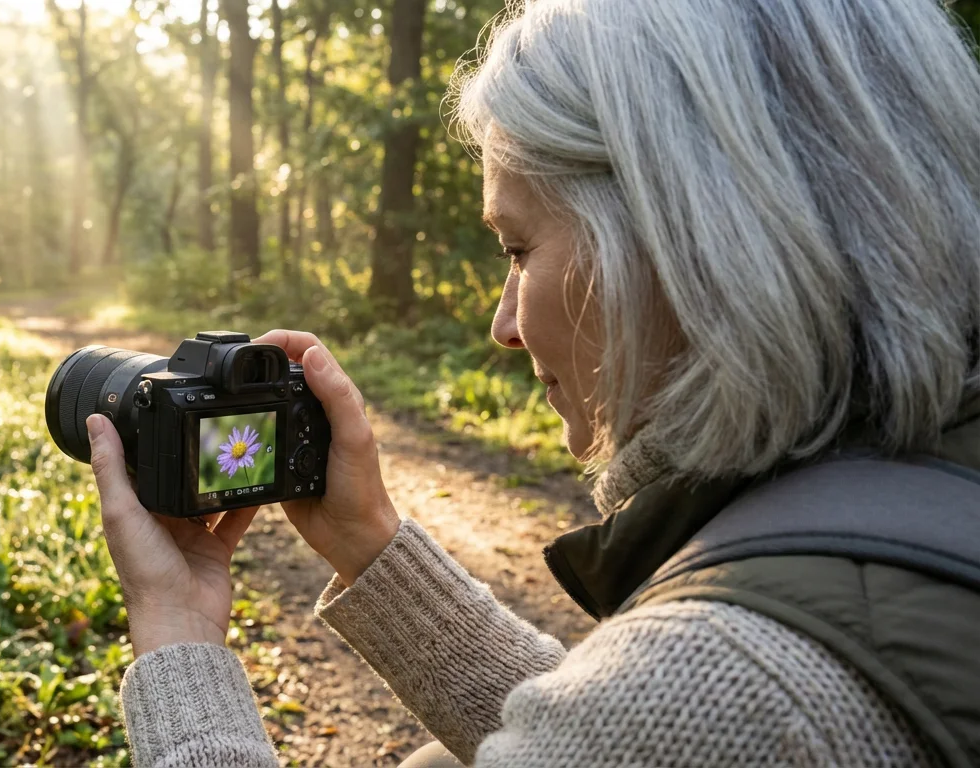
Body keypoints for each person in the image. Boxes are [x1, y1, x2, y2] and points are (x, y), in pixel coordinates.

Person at [83, 0, 980, 764]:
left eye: (519, 249)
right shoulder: (931, 463)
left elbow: (662, 717)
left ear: (687, 243)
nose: (503, 325)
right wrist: (371, 544)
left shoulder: (753, 685)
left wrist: (179, 631)